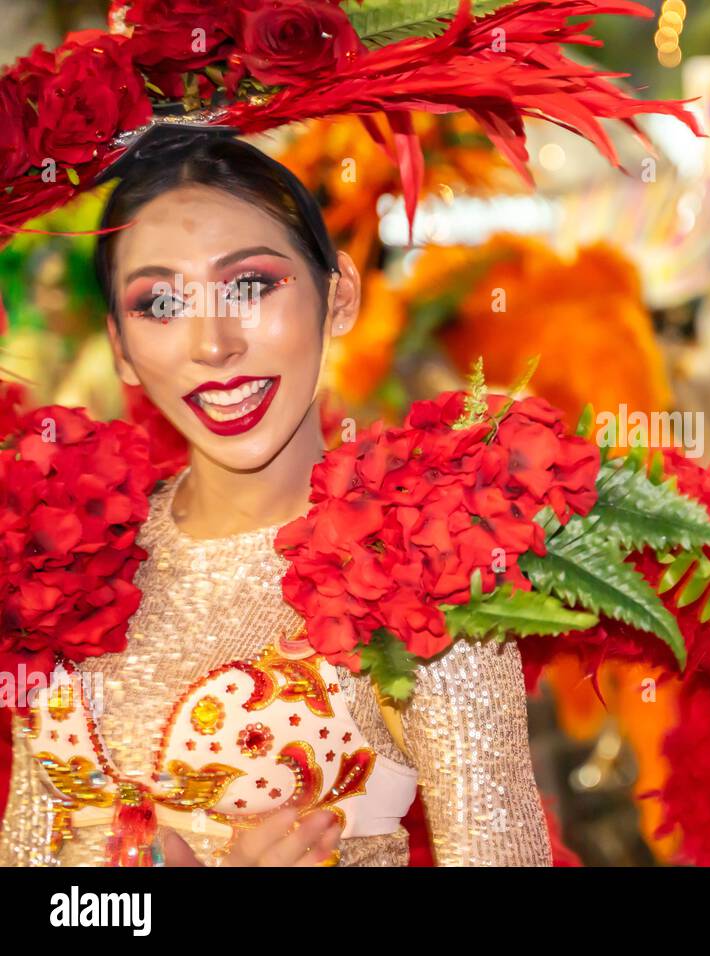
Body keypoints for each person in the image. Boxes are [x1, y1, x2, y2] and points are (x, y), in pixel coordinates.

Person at [0, 133, 552, 867]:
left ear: (340, 296)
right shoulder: (65, 557)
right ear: (122, 348)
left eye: (251, 286)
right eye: (161, 302)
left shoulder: (417, 566)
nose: (215, 344)